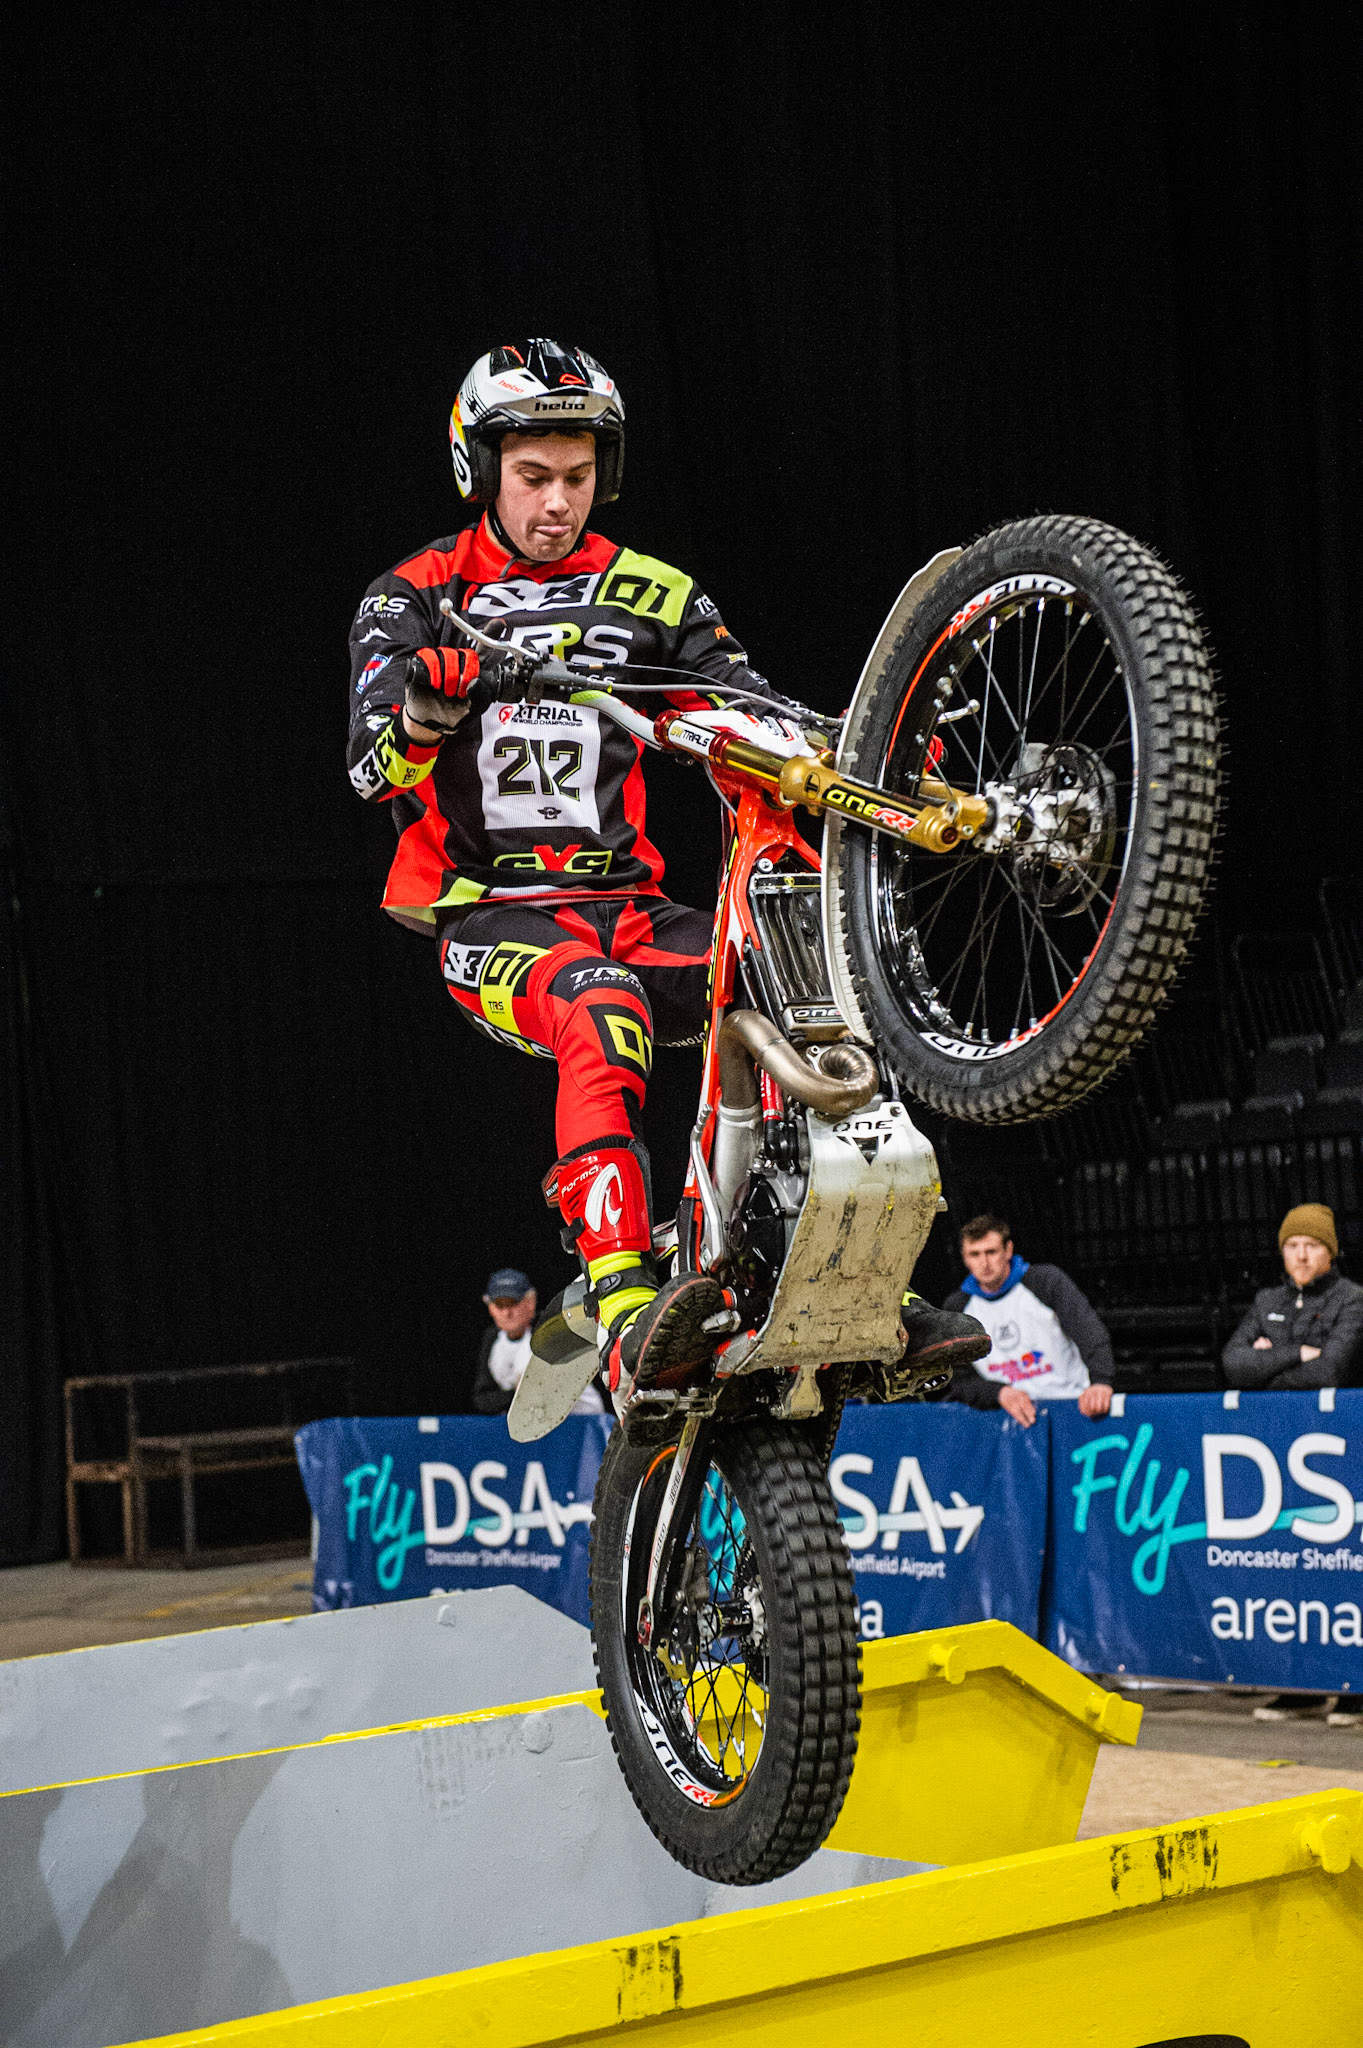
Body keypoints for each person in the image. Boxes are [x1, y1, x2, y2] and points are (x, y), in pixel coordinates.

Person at [348, 337, 985, 1408]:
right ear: (481, 469)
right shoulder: (413, 595)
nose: (558, 501)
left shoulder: (652, 589)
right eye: (534, 477)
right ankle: (627, 1303)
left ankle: (858, 1283)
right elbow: (373, 768)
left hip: (633, 908)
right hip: (493, 919)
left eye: (579, 476)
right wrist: (426, 703)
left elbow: (747, 706)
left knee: (802, 991)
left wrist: (858, 752)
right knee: (601, 1014)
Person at [936, 1215, 1115, 1425]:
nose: (984, 1263)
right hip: (1010, 1418)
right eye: (974, 1254)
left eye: (991, 1252)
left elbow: (1089, 1331)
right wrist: (999, 1394)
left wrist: (1101, 1381)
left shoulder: (1046, 1282)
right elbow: (960, 1379)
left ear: (1008, 1250)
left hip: (1073, 1405)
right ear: (964, 1258)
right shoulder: (956, 1308)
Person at [1222, 1204, 1363, 1391]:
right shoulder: (1266, 1300)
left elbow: (1329, 1372)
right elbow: (1233, 1363)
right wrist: (1298, 1353)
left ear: (1330, 1252)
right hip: (1274, 1417)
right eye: (1292, 1245)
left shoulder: (1352, 1298)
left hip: (1335, 1417)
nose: (1301, 1256)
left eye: (1311, 1245)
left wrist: (1263, 1371)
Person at [472, 1267, 606, 1417]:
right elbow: (482, 1398)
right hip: (533, 1422)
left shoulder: (549, 1330)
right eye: (499, 1305)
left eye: (512, 1303)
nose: (506, 1313)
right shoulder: (491, 1339)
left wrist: (514, 1396)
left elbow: (551, 1389)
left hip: (580, 1420)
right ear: (489, 1307)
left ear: (530, 1302)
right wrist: (515, 1396)